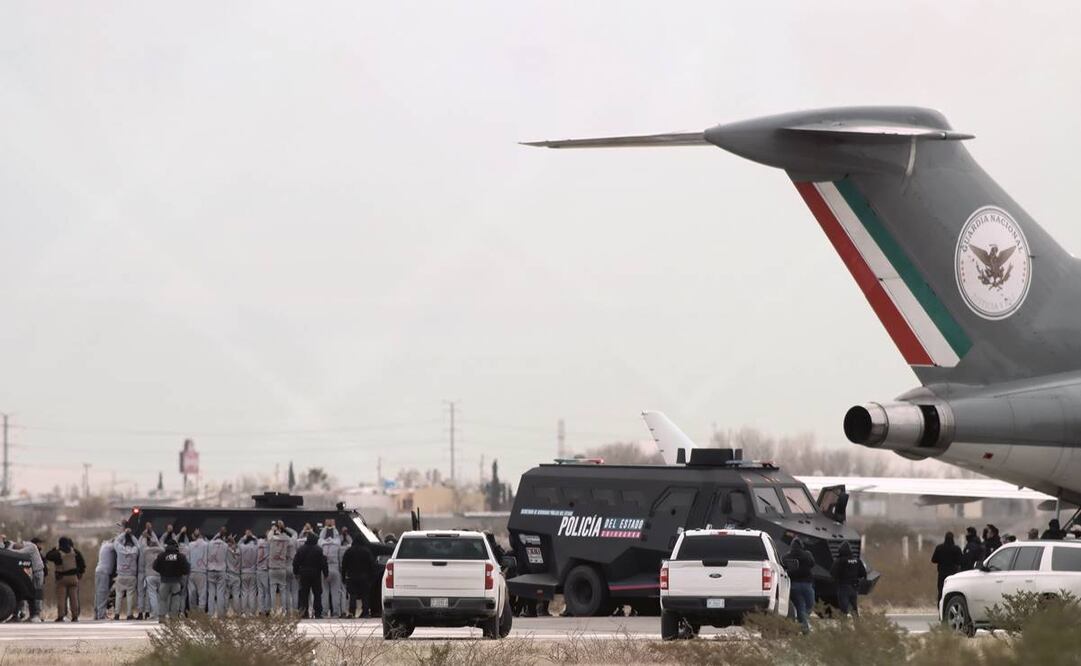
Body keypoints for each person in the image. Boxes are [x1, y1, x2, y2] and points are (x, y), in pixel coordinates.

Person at [45, 536, 86, 622]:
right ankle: (75, 616)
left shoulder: (57, 553)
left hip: (61, 578)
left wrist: (53, 549)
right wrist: (79, 574)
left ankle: (61, 616)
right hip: (74, 578)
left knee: (61, 598)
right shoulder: (75, 552)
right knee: (74, 598)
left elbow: (48, 556)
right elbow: (82, 565)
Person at [783, 538, 815, 633]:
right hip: (807, 585)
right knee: (810, 605)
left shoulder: (786, 556)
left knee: (800, 607)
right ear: (801, 546)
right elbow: (812, 564)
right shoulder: (807, 555)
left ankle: (803, 626)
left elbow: (783, 565)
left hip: (794, 586)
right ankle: (804, 626)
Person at [293, 533, 328, 619]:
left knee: (304, 594)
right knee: (317, 593)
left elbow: (295, 562)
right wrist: (325, 573)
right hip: (316, 574)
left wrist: (296, 572)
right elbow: (323, 563)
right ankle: (318, 613)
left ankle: (304, 613)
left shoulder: (301, 549)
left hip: (304, 574)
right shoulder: (319, 550)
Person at [153, 541, 190, 620]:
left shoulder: (161, 556)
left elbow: (154, 566)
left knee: (162, 600)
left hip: (164, 581)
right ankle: (174, 618)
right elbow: (187, 569)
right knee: (175, 600)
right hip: (176, 581)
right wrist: (180, 572)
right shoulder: (181, 556)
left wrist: (162, 571)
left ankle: (162, 618)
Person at [829, 541, 866, 617]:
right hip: (854, 588)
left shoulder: (839, 561)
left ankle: (844, 628)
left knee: (843, 610)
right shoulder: (857, 560)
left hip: (843, 587)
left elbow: (832, 573)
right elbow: (863, 574)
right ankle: (858, 628)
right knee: (854, 610)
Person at [341, 537, 374, 618]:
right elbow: (371, 565)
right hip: (364, 577)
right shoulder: (367, 551)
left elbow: (344, 564)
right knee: (365, 595)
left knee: (353, 595)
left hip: (352, 576)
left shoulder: (349, 551)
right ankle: (365, 612)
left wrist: (343, 576)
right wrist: (371, 577)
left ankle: (352, 612)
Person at [319, 521, 345, 618]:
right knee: (335, 592)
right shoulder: (337, 544)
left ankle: (324, 612)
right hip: (335, 568)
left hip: (325, 570)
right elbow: (337, 536)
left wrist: (326, 527)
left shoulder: (322, 544)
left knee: (324, 592)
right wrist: (333, 527)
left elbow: (321, 537)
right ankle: (335, 612)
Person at [13, 538, 44, 622]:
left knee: (37, 593)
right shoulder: (27, 546)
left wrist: (9, 552)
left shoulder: (31, 547)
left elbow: (19, 553)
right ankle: (33, 615)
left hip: (37, 572)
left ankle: (36, 615)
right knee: (32, 593)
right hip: (34, 572)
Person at [114, 528, 141, 620]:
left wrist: (124, 533)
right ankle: (129, 614)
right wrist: (132, 536)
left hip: (121, 575)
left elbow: (116, 541)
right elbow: (138, 545)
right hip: (131, 576)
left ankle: (117, 614)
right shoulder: (135, 550)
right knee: (130, 595)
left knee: (118, 595)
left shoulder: (120, 549)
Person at [267, 523, 292, 613]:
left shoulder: (272, 538)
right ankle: (284, 610)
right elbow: (291, 540)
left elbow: (269, 536)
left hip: (273, 568)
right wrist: (284, 529)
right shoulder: (286, 539)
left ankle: (273, 610)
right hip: (282, 567)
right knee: (283, 591)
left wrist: (273, 530)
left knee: (272, 591)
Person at [931, 532, 963, 601]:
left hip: (942, 573)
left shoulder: (939, 548)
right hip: (953, 574)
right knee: (953, 592)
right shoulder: (956, 549)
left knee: (941, 591)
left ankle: (940, 607)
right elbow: (960, 561)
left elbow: (933, 560)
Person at [206, 528, 229, 617]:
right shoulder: (225, 545)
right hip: (221, 570)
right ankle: (220, 614)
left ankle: (210, 614)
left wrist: (218, 533)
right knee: (220, 594)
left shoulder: (210, 544)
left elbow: (211, 540)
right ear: (224, 537)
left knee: (211, 594)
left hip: (211, 570)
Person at [141, 532, 164, 620]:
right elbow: (160, 546)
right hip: (159, 576)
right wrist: (153, 536)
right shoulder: (161, 552)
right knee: (161, 596)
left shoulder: (146, 551)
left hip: (150, 576)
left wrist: (144, 536)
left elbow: (142, 545)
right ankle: (161, 613)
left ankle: (155, 614)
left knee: (152, 596)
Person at [186, 528, 209, 613]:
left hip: (191, 571)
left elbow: (188, 558)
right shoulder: (206, 544)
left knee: (192, 593)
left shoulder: (190, 544)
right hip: (202, 571)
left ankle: (192, 612)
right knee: (202, 593)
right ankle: (201, 612)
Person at [94, 537, 116, 620]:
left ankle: (97, 614)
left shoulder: (104, 546)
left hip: (99, 570)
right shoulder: (110, 546)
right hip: (104, 572)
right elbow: (118, 545)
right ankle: (101, 615)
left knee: (98, 594)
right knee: (103, 593)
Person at [239, 530, 259, 615]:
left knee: (244, 593)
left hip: (244, 572)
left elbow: (239, 543)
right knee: (252, 593)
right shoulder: (255, 547)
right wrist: (253, 535)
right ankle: (251, 612)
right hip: (253, 572)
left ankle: (244, 612)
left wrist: (245, 536)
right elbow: (258, 542)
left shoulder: (242, 547)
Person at [256, 533, 270, 615]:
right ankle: (267, 609)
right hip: (265, 570)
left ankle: (261, 610)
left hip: (258, 570)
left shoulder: (258, 543)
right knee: (267, 592)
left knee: (260, 592)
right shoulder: (269, 545)